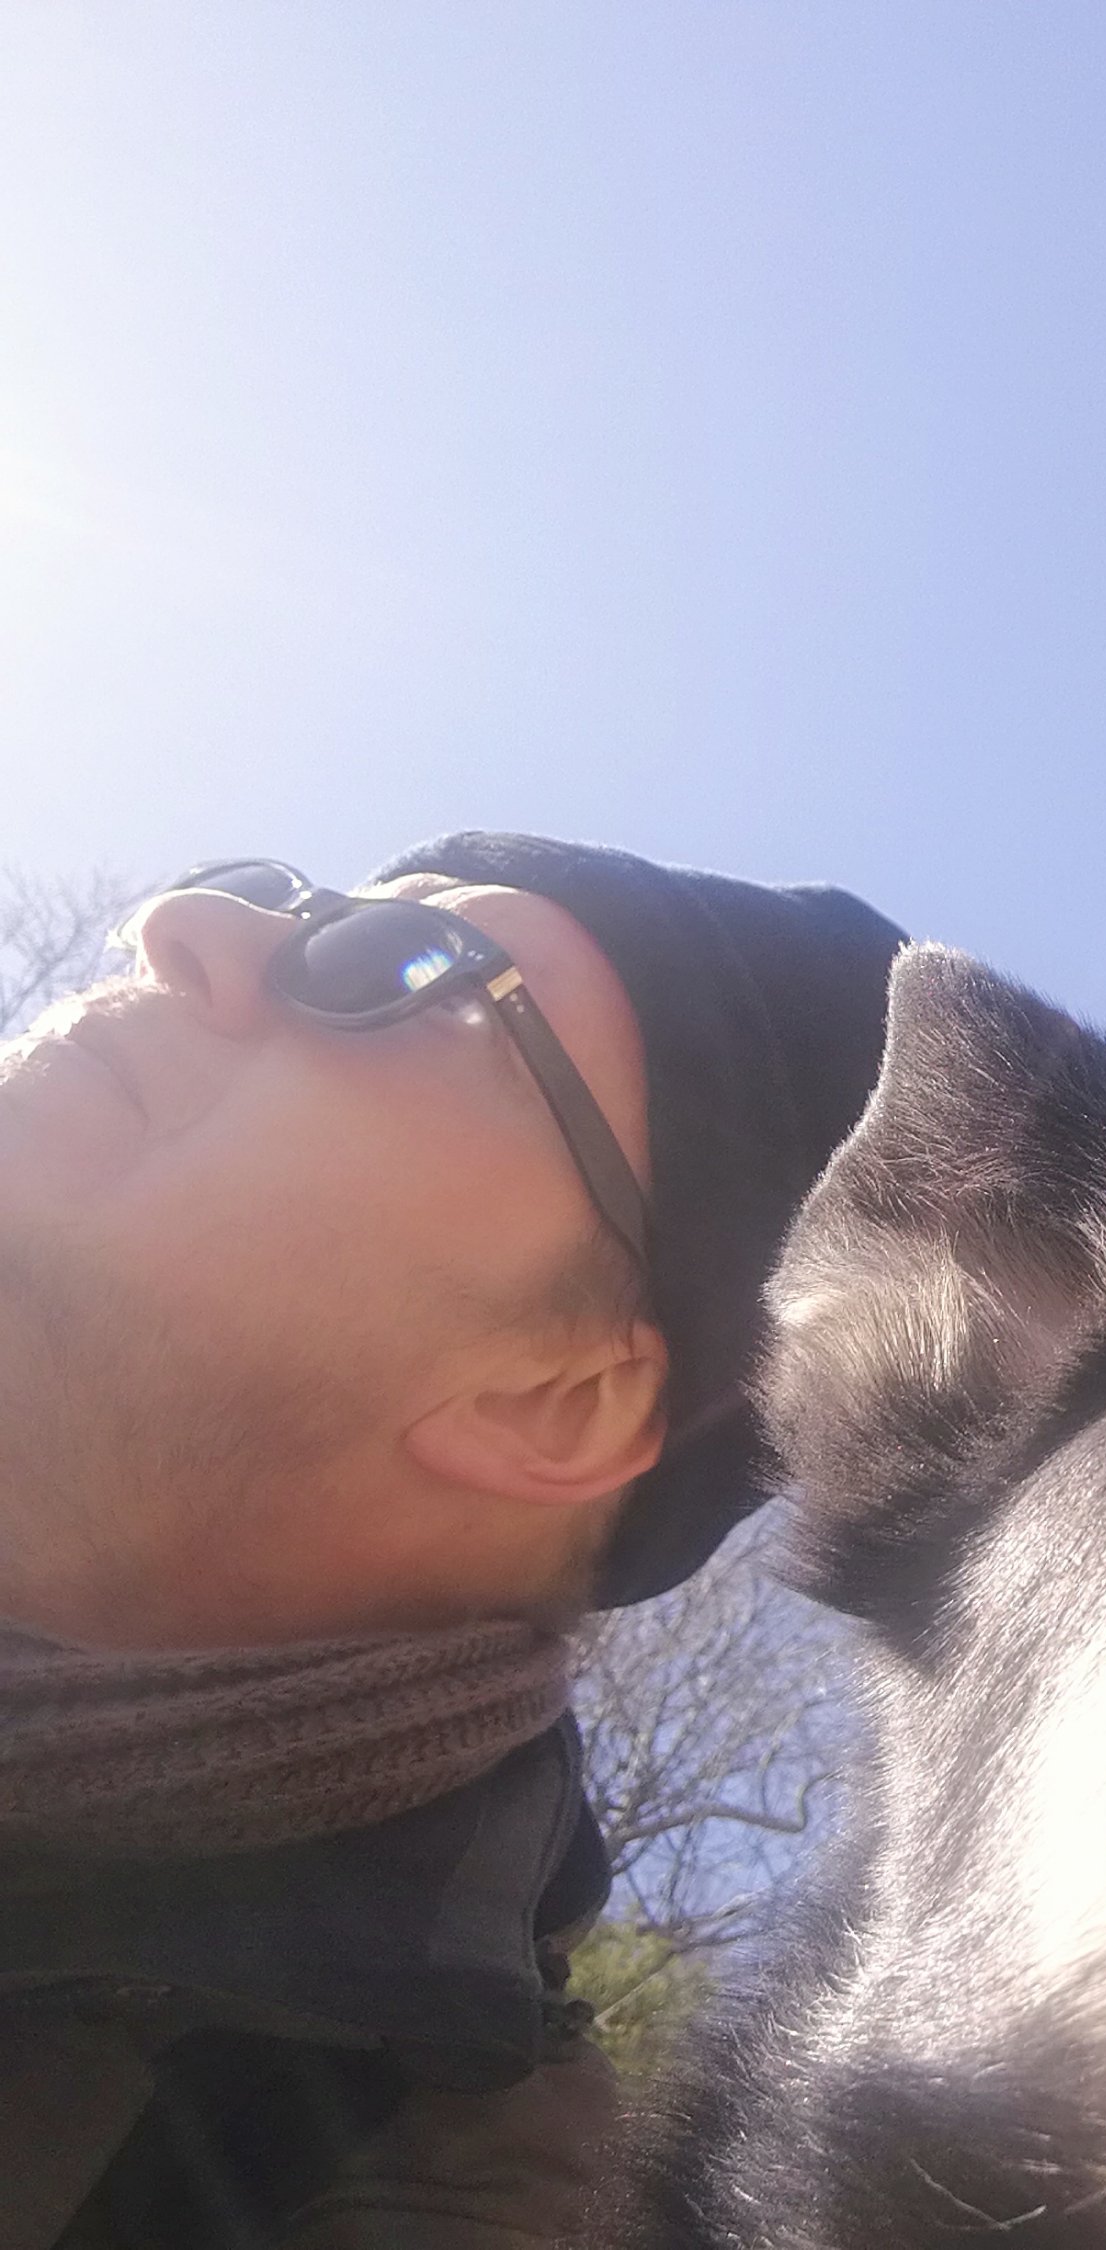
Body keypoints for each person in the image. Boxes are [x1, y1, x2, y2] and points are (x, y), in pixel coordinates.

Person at [0, 833, 907, 2248]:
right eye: (272, 890)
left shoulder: (411, 2197)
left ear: (558, 1402)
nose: (186, 924)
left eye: (406, 968)